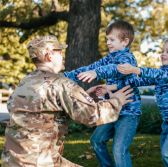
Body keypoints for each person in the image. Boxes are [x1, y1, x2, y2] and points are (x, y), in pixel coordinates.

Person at [1, 36, 134, 167]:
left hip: (11, 161)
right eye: (60, 52)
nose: (63, 56)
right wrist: (117, 100)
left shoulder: (25, 82)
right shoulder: (61, 83)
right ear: (50, 56)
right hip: (41, 162)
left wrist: (85, 97)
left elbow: (45, 106)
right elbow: (93, 116)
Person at [97, 38, 168, 167]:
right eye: (162, 51)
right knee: (167, 154)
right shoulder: (161, 73)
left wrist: (134, 70)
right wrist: (110, 87)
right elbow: (136, 82)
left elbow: (158, 74)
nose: (163, 54)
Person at [62, 20, 141, 167]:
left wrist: (96, 73)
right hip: (113, 109)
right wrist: (63, 76)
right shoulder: (108, 58)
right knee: (96, 140)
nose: (108, 43)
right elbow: (88, 68)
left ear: (125, 42)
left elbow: (115, 69)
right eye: (107, 39)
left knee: (119, 149)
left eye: (112, 39)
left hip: (129, 112)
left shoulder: (127, 59)